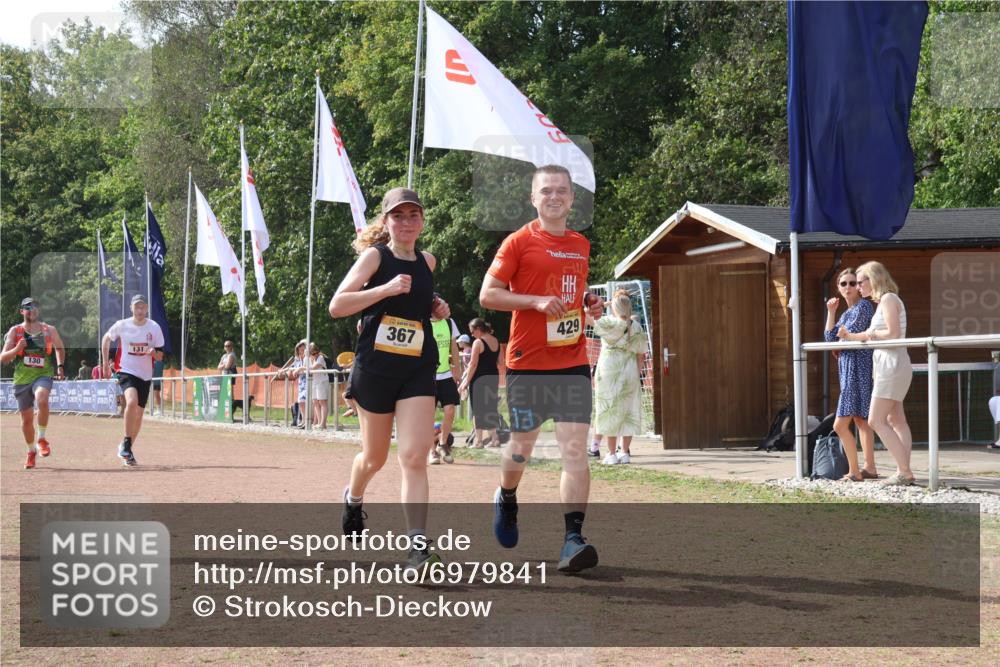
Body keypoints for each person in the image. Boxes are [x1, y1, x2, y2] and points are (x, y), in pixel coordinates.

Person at [479, 164, 604, 573]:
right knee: (521, 449)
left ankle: (573, 539)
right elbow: (488, 295)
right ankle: (506, 496)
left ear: (572, 198)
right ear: (533, 198)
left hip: (572, 363)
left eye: (561, 190)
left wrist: (587, 302)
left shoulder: (580, 244)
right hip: (528, 364)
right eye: (546, 190)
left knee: (575, 451)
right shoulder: (518, 242)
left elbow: (571, 288)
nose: (554, 196)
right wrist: (533, 302)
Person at [328, 187, 450, 572]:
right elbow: (337, 305)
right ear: (386, 221)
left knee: (414, 455)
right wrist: (385, 288)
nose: (407, 222)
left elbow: (418, 301)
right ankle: (353, 498)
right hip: (376, 369)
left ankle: (417, 547)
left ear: (423, 221)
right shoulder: (375, 257)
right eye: (398, 216)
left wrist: (436, 305)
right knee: (374, 458)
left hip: (417, 368)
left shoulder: (427, 261)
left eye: (414, 215)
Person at [838, 261, 914, 486]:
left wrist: (870, 335)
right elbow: (873, 333)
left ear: (873, 279)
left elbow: (893, 333)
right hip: (889, 365)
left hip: (891, 365)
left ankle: (904, 471)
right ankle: (904, 470)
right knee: (896, 419)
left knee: (875, 420)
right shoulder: (883, 302)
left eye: (860, 282)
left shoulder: (889, 299)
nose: (857, 287)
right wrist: (850, 337)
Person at [824, 268, 877, 481]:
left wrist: (841, 341)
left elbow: (846, 337)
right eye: (843, 284)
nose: (848, 287)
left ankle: (855, 471)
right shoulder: (846, 313)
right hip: (847, 369)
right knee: (861, 420)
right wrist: (831, 312)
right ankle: (869, 468)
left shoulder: (864, 306)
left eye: (853, 283)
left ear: (859, 286)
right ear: (838, 287)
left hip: (858, 369)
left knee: (840, 425)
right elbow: (830, 338)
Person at [0, 297, 66, 469]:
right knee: (26, 420)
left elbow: (59, 347)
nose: (32, 310)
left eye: (35, 306)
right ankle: (31, 452)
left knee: (42, 399)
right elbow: (3, 357)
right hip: (22, 380)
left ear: (39, 310)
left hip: (43, 375)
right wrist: (17, 348)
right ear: (22, 311)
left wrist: (60, 366)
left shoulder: (49, 330)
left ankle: (42, 439)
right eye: (28, 307)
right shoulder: (15, 331)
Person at [102, 294, 165, 467]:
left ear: (147, 309)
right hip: (126, 370)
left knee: (139, 415)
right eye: (137, 307)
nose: (140, 310)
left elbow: (160, 356)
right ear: (131, 308)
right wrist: (105, 363)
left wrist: (154, 353)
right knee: (131, 402)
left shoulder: (154, 327)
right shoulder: (122, 325)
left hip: (145, 374)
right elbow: (106, 339)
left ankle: (126, 449)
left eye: (143, 307)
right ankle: (127, 443)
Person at [591, 289, 649, 465]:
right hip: (630, 370)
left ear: (614, 307)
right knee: (628, 410)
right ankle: (624, 452)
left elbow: (587, 317)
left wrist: (603, 304)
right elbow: (641, 354)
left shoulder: (609, 323)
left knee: (609, 409)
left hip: (609, 371)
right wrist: (636, 373)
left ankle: (611, 453)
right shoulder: (636, 326)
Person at [457, 318, 501, 449]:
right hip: (493, 378)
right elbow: (501, 362)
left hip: (479, 380)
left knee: (478, 410)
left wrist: (465, 382)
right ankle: (495, 439)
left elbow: (473, 364)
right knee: (491, 408)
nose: (471, 335)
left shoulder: (478, 342)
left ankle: (479, 441)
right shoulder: (496, 341)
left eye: (472, 331)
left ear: (478, 329)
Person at [429, 307, 462, 464]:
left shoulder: (449, 323)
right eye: (438, 306)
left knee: (450, 411)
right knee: (429, 415)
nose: (442, 309)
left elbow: (454, 347)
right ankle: (432, 451)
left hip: (446, 374)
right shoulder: (423, 323)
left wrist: (457, 369)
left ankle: (442, 444)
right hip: (428, 376)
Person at [309, 342, 330, 429]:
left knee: (322, 402)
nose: (315, 355)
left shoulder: (320, 358)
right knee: (315, 402)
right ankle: (319, 422)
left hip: (322, 381)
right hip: (315, 381)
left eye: (316, 353)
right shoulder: (312, 359)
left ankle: (323, 423)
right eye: (312, 354)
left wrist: (301, 368)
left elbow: (313, 368)